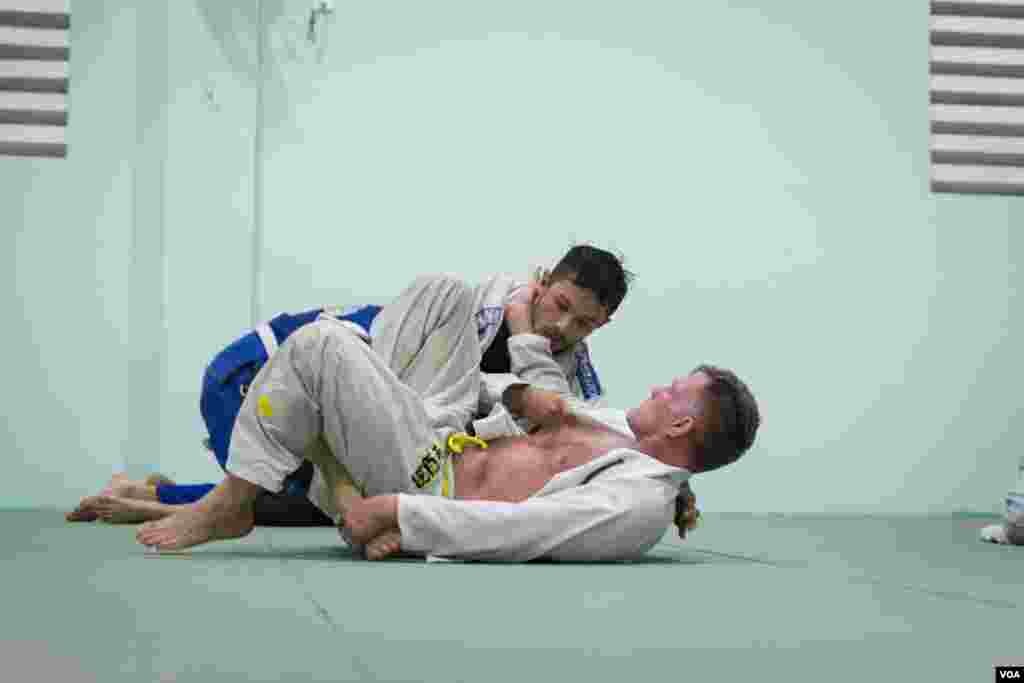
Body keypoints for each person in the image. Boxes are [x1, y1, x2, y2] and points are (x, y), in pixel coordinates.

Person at [136, 276, 759, 561]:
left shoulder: (638, 505)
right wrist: (515, 396)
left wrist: (401, 515)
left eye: (674, 391)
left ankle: (238, 499)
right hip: (440, 427)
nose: (658, 386)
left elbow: (526, 531)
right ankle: (338, 447)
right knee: (444, 291)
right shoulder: (615, 425)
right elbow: (495, 391)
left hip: (430, 477)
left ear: (681, 428)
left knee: (322, 344)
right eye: (560, 305)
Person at [69, 245, 645, 526]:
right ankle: (156, 501)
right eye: (560, 306)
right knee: (332, 501)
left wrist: (655, 480)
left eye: (585, 324)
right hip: (247, 378)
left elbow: (582, 435)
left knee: (361, 496)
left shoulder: (561, 366)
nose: (562, 329)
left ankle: (152, 491)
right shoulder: (470, 312)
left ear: (604, 326)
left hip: (314, 396)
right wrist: (520, 332)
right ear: (540, 281)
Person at [979, 455, 1024, 545]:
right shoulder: (1017, 487)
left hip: (1012, 533)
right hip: (1014, 530)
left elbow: (1008, 513)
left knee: (986, 531)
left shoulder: (1016, 486)